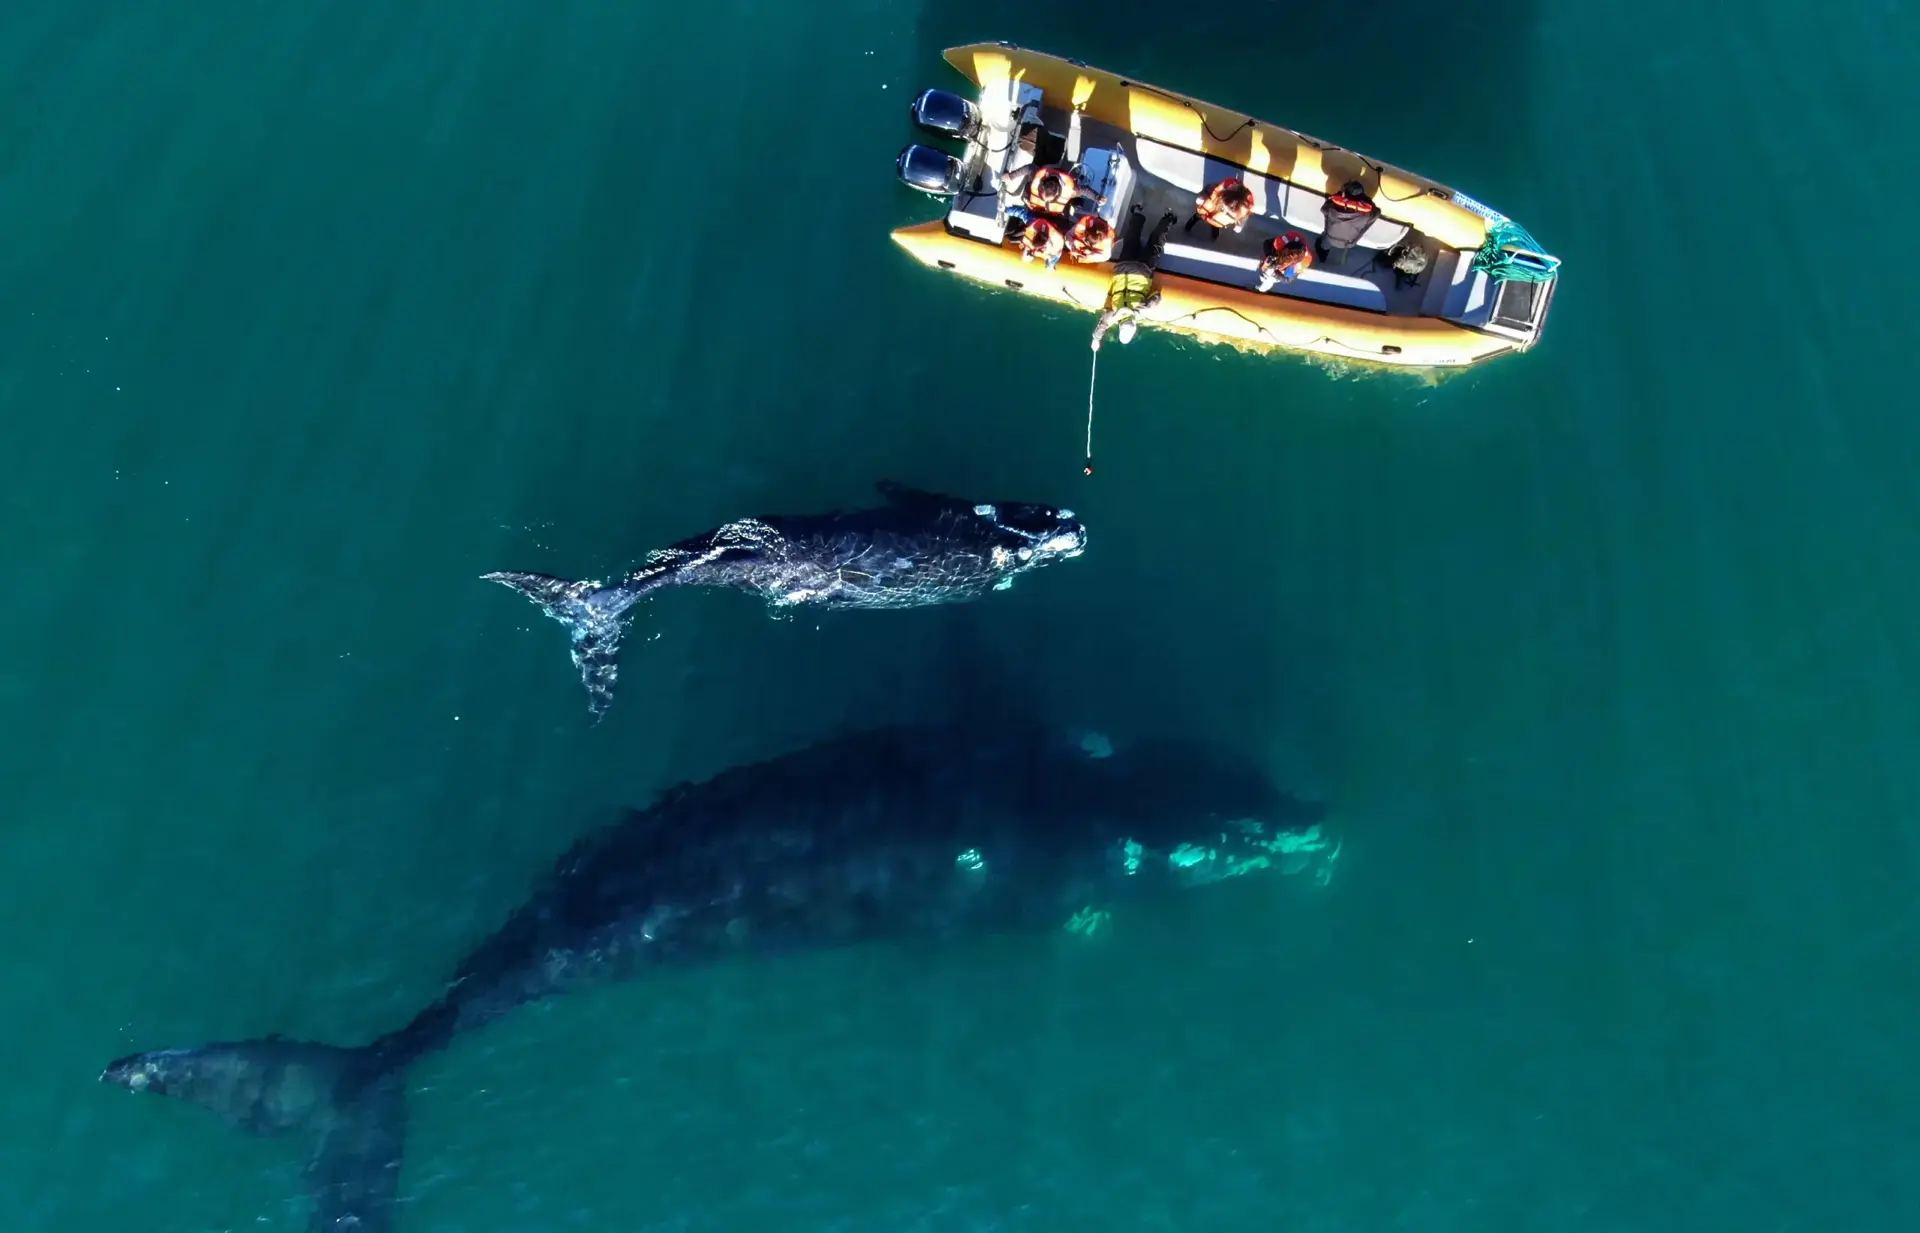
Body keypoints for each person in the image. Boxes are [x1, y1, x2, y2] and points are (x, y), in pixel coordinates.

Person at [1090, 206, 1177, 350]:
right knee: (1131, 240)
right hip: (1122, 268)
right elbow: (1102, 325)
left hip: (1143, 270)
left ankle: (1168, 218)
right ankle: (1137, 213)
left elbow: (1157, 297)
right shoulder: (1113, 314)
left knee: (1155, 244)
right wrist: (1096, 339)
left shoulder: (1141, 309)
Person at [1316, 179, 1380, 267]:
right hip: (1348, 243)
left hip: (1330, 238)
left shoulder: (1332, 207)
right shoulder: (1366, 215)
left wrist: (1338, 194)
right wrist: (1368, 201)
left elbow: (1323, 209)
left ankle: (1322, 258)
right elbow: (1377, 212)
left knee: (1323, 244)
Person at [1184, 177, 1255, 242]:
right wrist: (1202, 196)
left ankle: (1213, 240)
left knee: (1215, 226)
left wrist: (1240, 225)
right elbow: (1208, 188)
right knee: (1197, 216)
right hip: (1211, 208)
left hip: (1217, 220)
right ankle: (1186, 229)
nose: (1228, 209)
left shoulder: (1243, 208)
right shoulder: (1221, 188)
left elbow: (1244, 216)